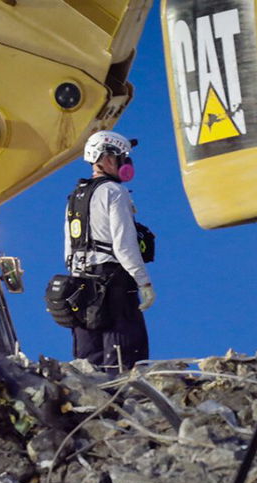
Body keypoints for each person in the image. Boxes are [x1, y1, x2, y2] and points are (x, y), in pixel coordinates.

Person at [64, 130, 155, 372]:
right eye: (121, 157)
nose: (126, 164)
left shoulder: (76, 196)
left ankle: (94, 404)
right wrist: (143, 282)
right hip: (113, 283)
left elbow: (69, 250)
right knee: (124, 354)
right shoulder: (115, 192)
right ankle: (121, 401)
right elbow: (124, 245)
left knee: (88, 362)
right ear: (105, 157)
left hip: (81, 284)